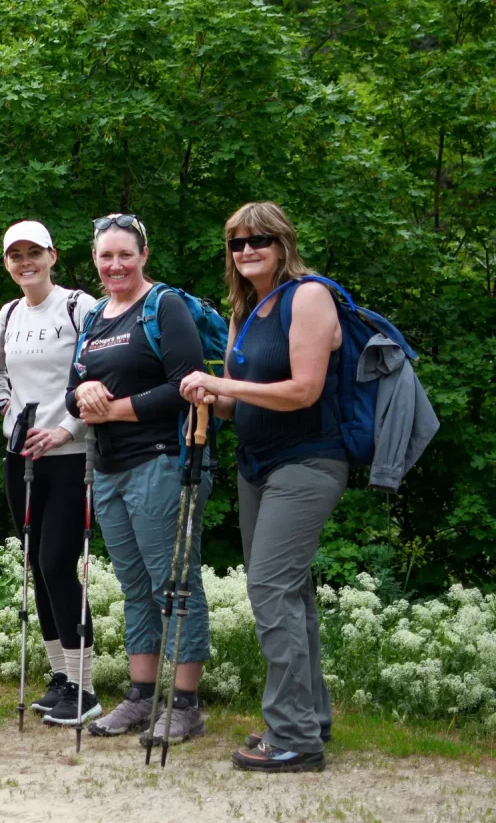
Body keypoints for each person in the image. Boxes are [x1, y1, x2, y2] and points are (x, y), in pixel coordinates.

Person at [180, 202, 345, 773]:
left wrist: (220, 380)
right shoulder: (246, 309)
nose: (247, 250)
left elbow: (303, 390)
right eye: (237, 243)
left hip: (308, 461)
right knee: (290, 595)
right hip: (257, 465)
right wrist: (209, 396)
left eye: (259, 240)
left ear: (283, 243)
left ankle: (293, 737)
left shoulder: (309, 297)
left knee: (270, 590)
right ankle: (308, 720)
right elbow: (236, 402)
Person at [66, 214, 212, 746]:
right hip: (108, 470)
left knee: (173, 584)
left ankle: (186, 706)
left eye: (125, 254)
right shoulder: (96, 317)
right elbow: (73, 391)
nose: (115, 264)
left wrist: (115, 408)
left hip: (162, 462)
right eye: (106, 256)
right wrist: (82, 398)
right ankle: (139, 698)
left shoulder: (164, 306)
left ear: (143, 254)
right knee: (135, 589)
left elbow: (187, 386)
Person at [0, 221, 99, 726]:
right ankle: (61, 677)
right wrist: (7, 410)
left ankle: (86, 688)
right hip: (22, 454)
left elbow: (102, 374)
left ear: (52, 254)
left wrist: (67, 429)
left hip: (72, 454)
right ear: (6, 262)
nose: (25, 262)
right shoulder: (7, 315)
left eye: (34, 253)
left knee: (55, 564)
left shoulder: (79, 307)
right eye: (15, 255)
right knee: (36, 566)